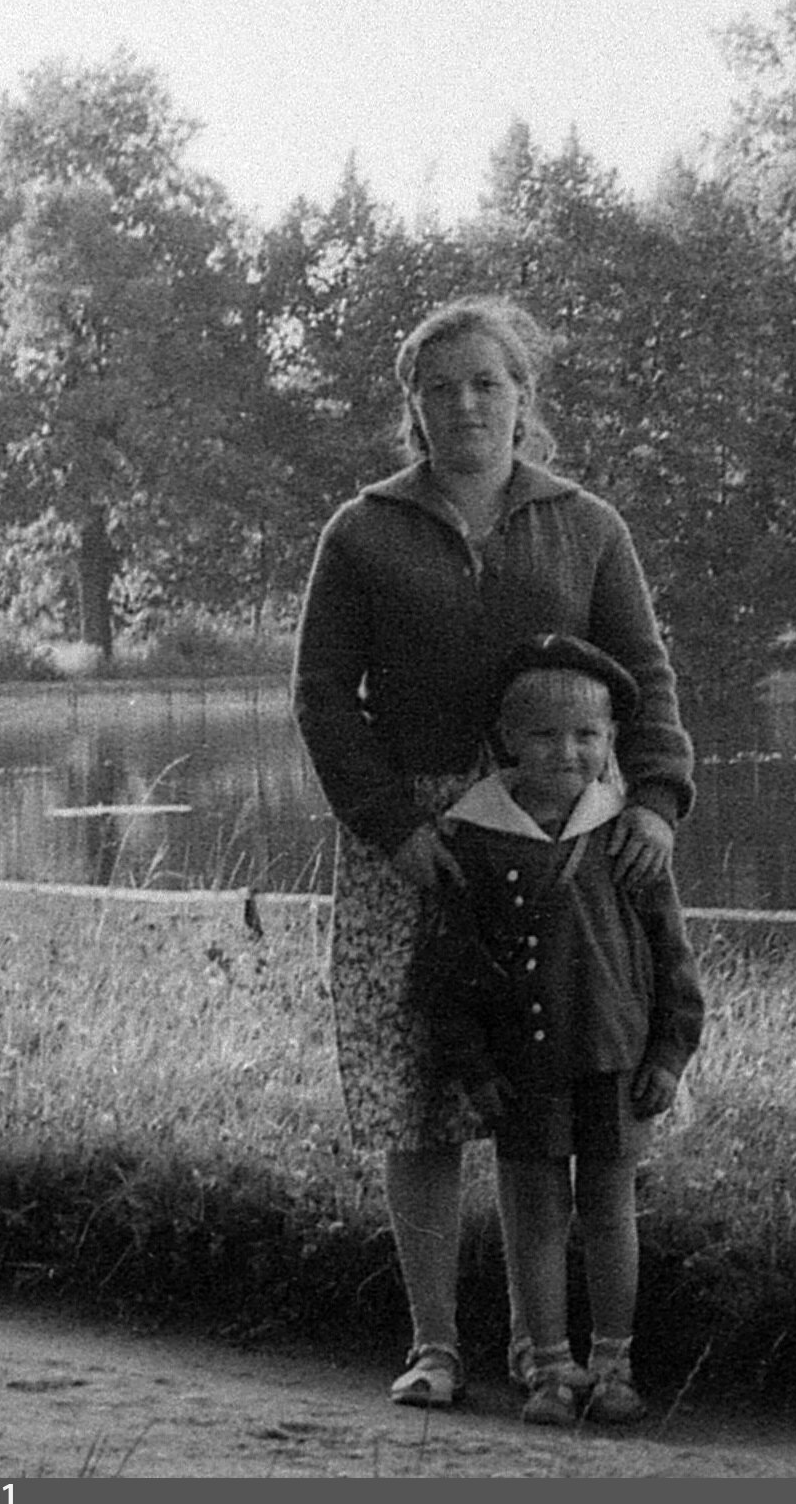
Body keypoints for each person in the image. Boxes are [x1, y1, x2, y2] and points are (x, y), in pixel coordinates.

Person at [293, 294, 695, 1412]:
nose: (465, 403)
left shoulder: (587, 525)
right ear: (413, 407)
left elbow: (646, 678)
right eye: (441, 387)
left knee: (546, 1094)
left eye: (487, 382)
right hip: (418, 845)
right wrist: (394, 827)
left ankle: (546, 1353)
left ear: (523, 396)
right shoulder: (362, 531)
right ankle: (435, 1345)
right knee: (417, 1097)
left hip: (564, 844)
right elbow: (322, 697)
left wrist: (655, 804)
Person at [420, 635, 703, 1426]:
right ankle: (549, 1366)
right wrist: (475, 1069)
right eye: (544, 735)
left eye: (588, 735)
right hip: (523, 1069)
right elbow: (448, 974)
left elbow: (672, 956)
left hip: (616, 1060)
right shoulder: (474, 837)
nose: (568, 752)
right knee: (535, 1213)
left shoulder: (626, 834)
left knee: (611, 1207)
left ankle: (614, 1362)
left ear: (612, 740)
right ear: (507, 739)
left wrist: (670, 1054)